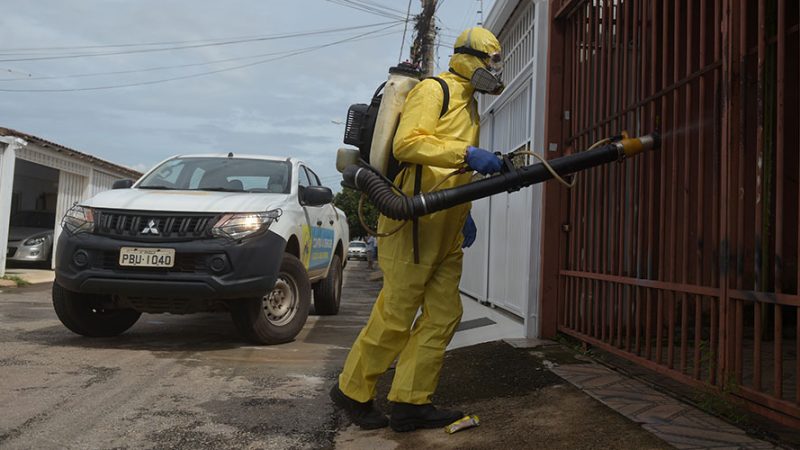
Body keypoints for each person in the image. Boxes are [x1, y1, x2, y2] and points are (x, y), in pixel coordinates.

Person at [330, 27, 505, 432]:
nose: (491, 70)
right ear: (464, 56)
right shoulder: (435, 91)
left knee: (445, 315)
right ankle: (352, 391)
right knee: (396, 315)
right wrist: (467, 153)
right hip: (413, 222)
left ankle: (411, 402)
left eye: (495, 63)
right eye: (486, 60)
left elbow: (449, 172)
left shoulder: (471, 105)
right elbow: (406, 144)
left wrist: (465, 212)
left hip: (447, 225)